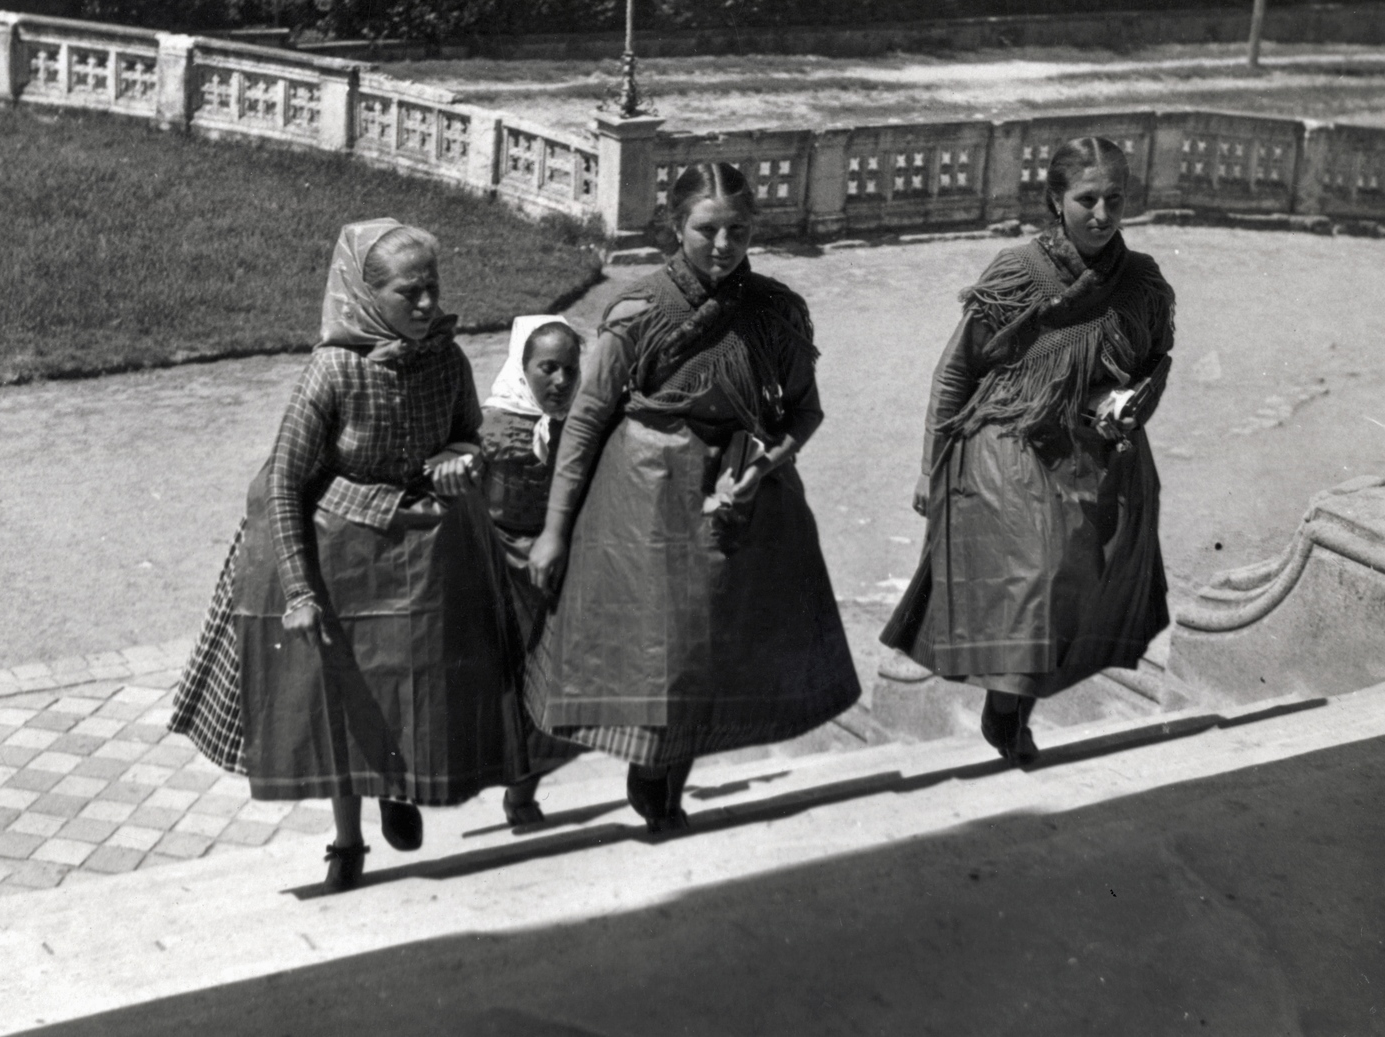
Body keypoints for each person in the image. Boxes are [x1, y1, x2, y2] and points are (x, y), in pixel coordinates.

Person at [169, 218, 513, 893]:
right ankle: (347, 840)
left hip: (422, 552)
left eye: (432, 289)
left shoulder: (448, 360)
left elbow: (473, 437)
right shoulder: (334, 369)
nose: (425, 305)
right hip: (340, 553)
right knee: (347, 700)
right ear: (364, 295)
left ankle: (400, 786)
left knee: (415, 683)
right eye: (408, 293)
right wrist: (299, 591)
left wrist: (460, 458)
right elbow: (284, 479)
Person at [526, 163, 861, 834]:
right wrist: (555, 530)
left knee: (714, 646)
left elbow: (806, 410)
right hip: (647, 491)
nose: (723, 244)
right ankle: (652, 776)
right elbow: (589, 417)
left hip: (743, 490)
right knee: (663, 647)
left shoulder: (776, 311)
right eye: (707, 229)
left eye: (738, 230)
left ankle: (668, 782)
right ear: (675, 228)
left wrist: (774, 458)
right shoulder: (638, 310)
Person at [881, 136, 1176, 766]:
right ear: (1055, 200)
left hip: (1094, 447)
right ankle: (1007, 711)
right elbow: (955, 373)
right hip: (1009, 438)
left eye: (1115, 199)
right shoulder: (1018, 273)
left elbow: (1156, 359)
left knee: (1089, 578)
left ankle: (1014, 706)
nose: (1102, 214)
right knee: (1040, 573)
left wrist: (1129, 399)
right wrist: (929, 465)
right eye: (1086, 199)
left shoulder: (1144, 281)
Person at [479, 316, 588, 826]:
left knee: (547, 683)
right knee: (499, 685)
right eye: (547, 368)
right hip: (498, 570)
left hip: (555, 570)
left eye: (569, 368)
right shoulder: (492, 426)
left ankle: (523, 793)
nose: (561, 381)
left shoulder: (583, 423)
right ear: (523, 369)